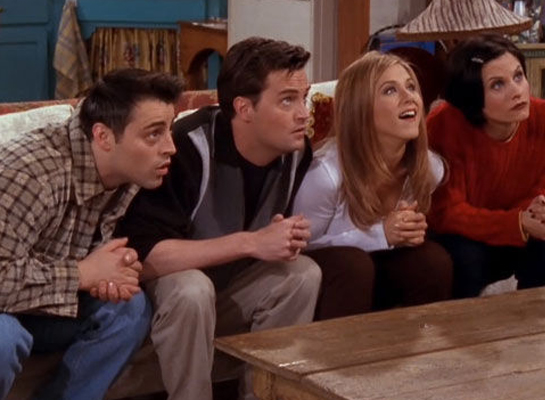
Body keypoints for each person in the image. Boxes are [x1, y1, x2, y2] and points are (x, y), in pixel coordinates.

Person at [115, 37, 332, 400]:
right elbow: (143, 257)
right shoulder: (184, 148)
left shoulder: (296, 151)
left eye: (304, 98)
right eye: (287, 101)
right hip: (163, 295)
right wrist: (252, 242)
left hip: (230, 286)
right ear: (244, 108)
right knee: (192, 289)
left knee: (302, 274)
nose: (303, 114)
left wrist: (285, 238)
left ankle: (265, 394)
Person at [0, 68, 184, 400]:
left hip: (40, 304)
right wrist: (83, 274)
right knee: (3, 338)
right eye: (154, 134)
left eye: (169, 130)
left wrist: (114, 269)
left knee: (129, 309)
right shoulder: (32, 175)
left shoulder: (127, 170)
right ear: (103, 136)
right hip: (6, 312)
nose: (170, 147)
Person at [293, 51, 453, 310]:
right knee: (354, 266)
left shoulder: (430, 168)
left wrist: (409, 230)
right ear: (361, 109)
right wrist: (381, 235)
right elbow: (301, 247)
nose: (409, 97)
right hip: (329, 275)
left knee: (432, 262)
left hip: (377, 267)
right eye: (390, 90)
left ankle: (416, 337)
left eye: (411, 87)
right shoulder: (325, 174)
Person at [427, 33, 545, 299]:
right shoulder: (443, 125)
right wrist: (519, 223)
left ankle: (542, 322)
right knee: (466, 256)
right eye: (497, 85)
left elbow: (543, 189)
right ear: (472, 98)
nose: (517, 91)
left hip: (514, 228)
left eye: (518, 76)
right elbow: (447, 213)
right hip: (459, 235)